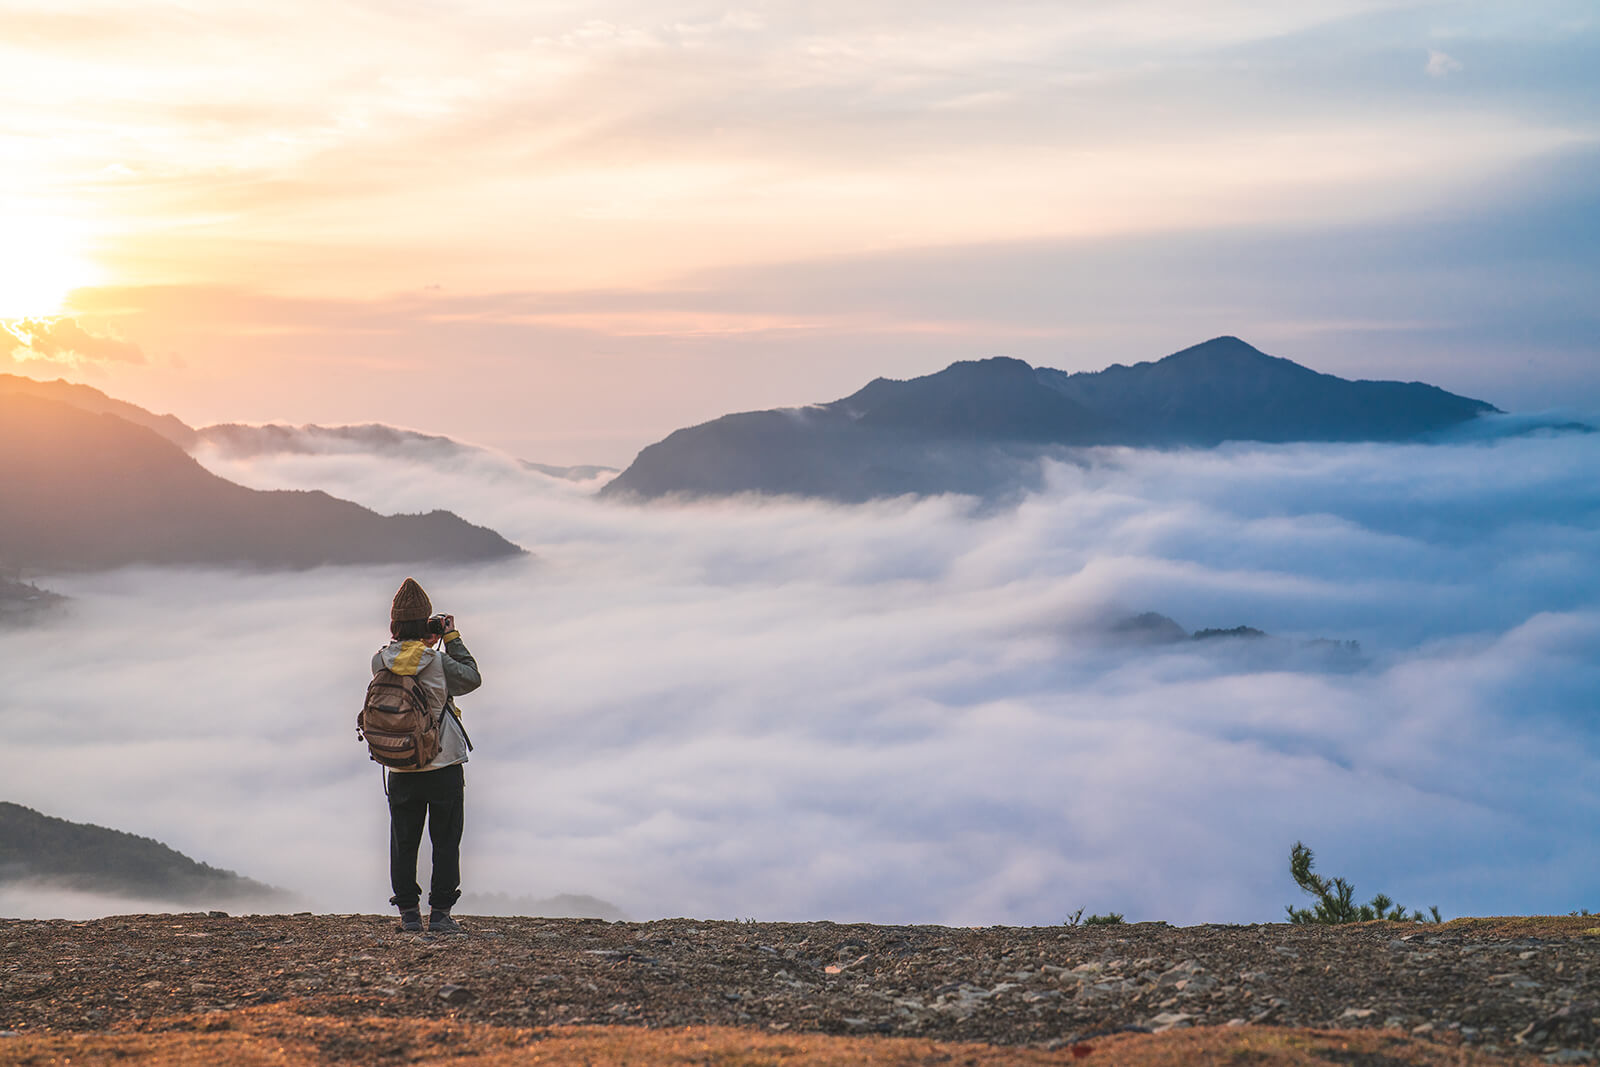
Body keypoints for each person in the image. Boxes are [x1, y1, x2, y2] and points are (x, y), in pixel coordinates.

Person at [377, 577, 480, 934]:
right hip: (442, 762)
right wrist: (450, 639)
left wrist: (418, 641)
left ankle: (408, 914)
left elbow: (405, 659)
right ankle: (440, 915)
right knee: (445, 839)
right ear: (426, 624)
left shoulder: (380, 660)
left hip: (400, 762)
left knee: (403, 840)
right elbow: (471, 678)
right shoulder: (436, 661)